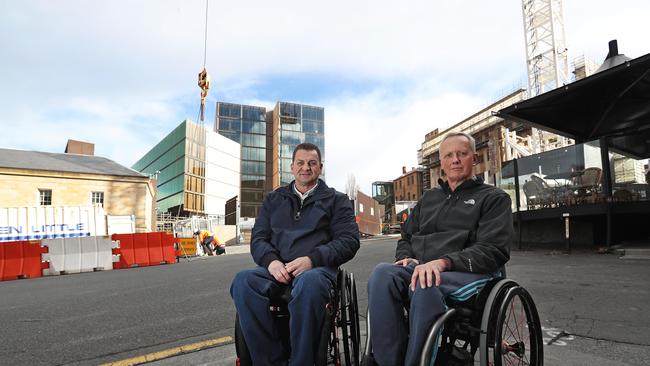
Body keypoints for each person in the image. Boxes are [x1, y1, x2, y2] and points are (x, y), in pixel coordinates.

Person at [367, 132, 513, 366]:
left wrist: (443, 262)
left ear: (474, 158)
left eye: (462, 154)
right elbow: (406, 235)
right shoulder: (429, 199)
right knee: (382, 275)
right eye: (449, 155)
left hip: (467, 272)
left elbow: (493, 250)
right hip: (422, 267)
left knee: (426, 284)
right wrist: (406, 258)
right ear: (442, 163)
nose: (455, 159)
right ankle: (388, 362)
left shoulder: (494, 198)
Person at [230, 142, 360, 366]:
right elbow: (259, 239)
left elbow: (349, 241)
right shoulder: (274, 199)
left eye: (312, 163)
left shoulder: (337, 200)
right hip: (276, 269)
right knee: (242, 282)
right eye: (300, 163)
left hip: (316, 270)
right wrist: (271, 262)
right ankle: (270, 361)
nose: (305, 168)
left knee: (309, 284)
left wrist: (313, 260)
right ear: (291, 167)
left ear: (320, 167)